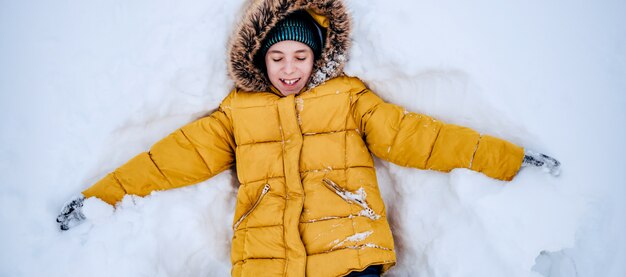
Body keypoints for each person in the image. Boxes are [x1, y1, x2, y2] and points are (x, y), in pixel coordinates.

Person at [56, 1, 560, 276]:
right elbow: (167, 161)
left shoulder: (348, 99)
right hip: (267, 265)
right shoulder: (237, 113)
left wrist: (508, 159)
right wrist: (100, 199)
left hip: (348, 255)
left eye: (300, 56)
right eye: (277, 58)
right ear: (260, 60)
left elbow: (420, 139)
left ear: (318, 57)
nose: (289, 69)